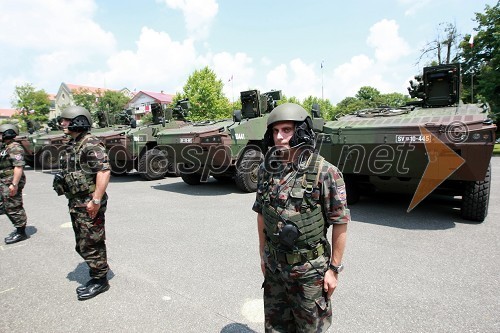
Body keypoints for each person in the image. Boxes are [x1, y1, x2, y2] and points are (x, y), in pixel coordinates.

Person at [252, 103, 350, 332]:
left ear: (301, 132)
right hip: (276, 269)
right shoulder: (267, 171)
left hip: (310, 274)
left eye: (286, 130)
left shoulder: (325, 172)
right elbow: (261, 214)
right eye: (275, 131)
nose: (279, 137)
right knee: (275, 327)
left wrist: (334, 269)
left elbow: (340, 223)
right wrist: (263, 254)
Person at [54, 106, 111, 301]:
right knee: (83, 242)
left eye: (66, 120)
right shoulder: (74, 143)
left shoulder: (90, 143)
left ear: (78, 121)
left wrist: (95, 200)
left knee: (91, 242)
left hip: (88, 202)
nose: (62, 123)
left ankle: (100, 280)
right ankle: (98, 271)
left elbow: (103, 171)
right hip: (77, 201)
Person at [0, 124, 29, 244]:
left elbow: (18, 167)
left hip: (11, 181)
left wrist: (14, 184)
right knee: (8, 204)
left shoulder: (15, 148)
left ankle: (21, 232)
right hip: (5, 180)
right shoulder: (6, 146)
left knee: (14, 206)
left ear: (8, 133)